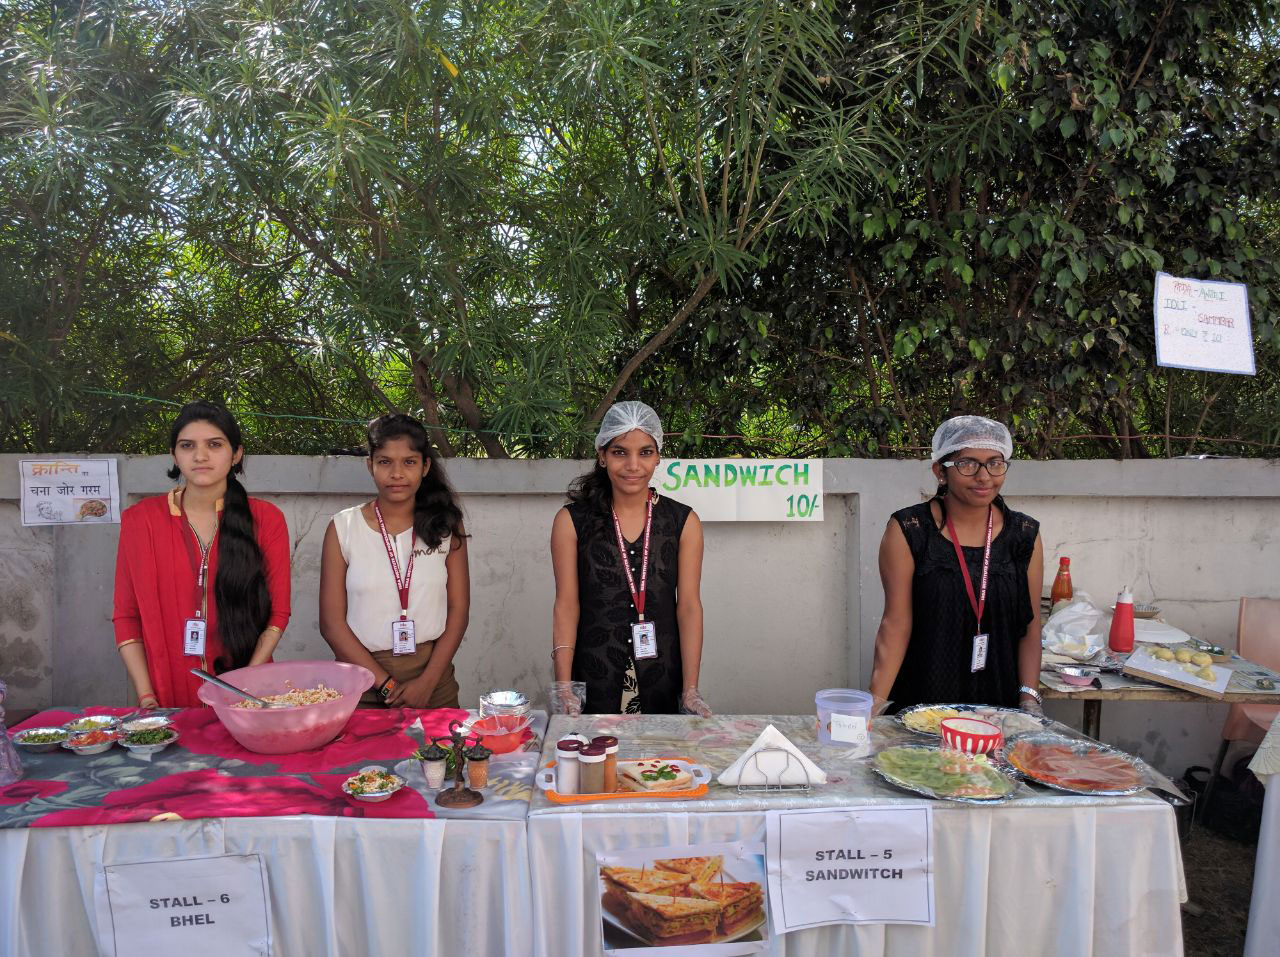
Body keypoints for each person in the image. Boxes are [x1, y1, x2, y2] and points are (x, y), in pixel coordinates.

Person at [113, 401, 291, 708]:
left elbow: (278, 614)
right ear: (174, 454)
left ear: (236, 454)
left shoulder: (266, 519)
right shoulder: (140, 520)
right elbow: (126, 617)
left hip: (248, 689)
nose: (200, 456)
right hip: (166, 690)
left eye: (214, 444)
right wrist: (146, 696)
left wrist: (245, 687)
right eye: (187, 445)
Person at [869, 415, 1045, 713]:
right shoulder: (910, 530)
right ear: (941, 470)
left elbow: (1029, 625)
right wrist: (874, 704)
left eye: (995, 463)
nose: (984, 476)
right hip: (922, 701)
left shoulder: (1024, 534)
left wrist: (1029, 697)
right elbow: (896, 623)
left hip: (997, 705)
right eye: (967, 464)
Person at [550, 401, 711, 716]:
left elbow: (689, 607)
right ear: (602, 455)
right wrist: (564, 687)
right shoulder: (572, 521)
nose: (633, 465)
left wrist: (691, 689)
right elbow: (566, 605)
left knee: (656, 764)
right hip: (593, 674)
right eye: (620, 452)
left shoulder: (683, 522)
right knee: (595, 764)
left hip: (663, 678)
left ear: (659, 455)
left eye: (645, 452)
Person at [319, 413, 468, 709]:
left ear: (425, 466)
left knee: (441, 755)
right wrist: (387, 685)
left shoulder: (446, 526)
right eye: (385, 461)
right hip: (361, 683)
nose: (397, 473)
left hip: (433, 681)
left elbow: (459, 611)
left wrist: (427, 683)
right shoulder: (343, 528)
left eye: (409, 462)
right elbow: (331, 624)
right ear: (370, 465)